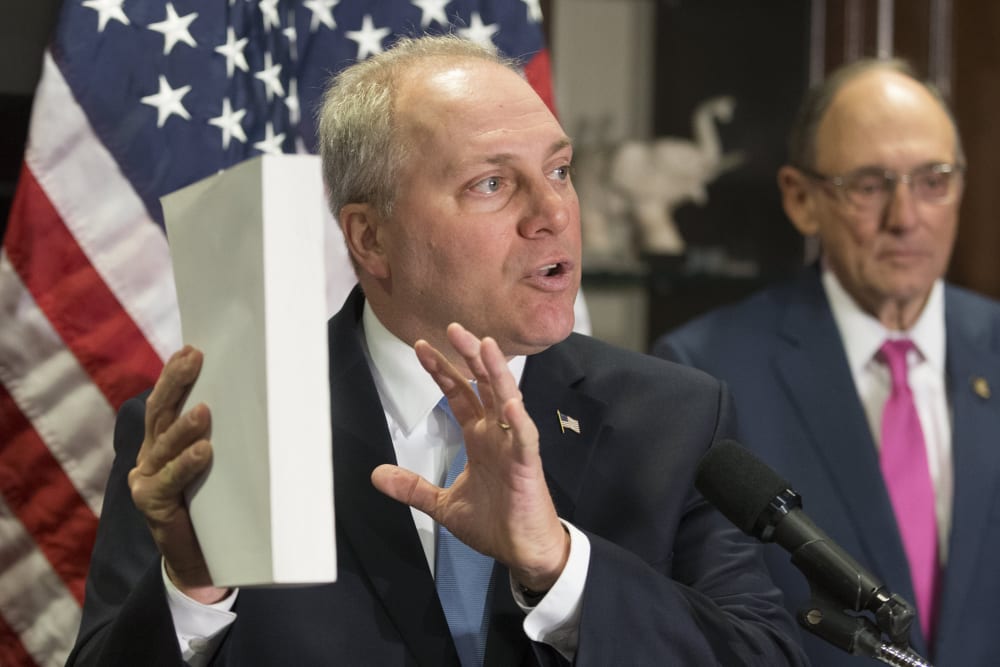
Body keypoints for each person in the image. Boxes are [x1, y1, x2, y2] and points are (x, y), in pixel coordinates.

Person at [68, 35, 807, 666]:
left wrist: (559, 564)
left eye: (559, 170)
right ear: (370, 237)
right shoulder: (218, 434)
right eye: (492, 183)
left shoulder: (674, 418)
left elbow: (761, 653)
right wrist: (194, 586)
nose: (552, 213)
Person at [655, 58, 1000, 666]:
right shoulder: (704, 376)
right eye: (870, 185)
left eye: (933, 180)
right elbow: (698, 628)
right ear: (801, 198)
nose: (906, 218)